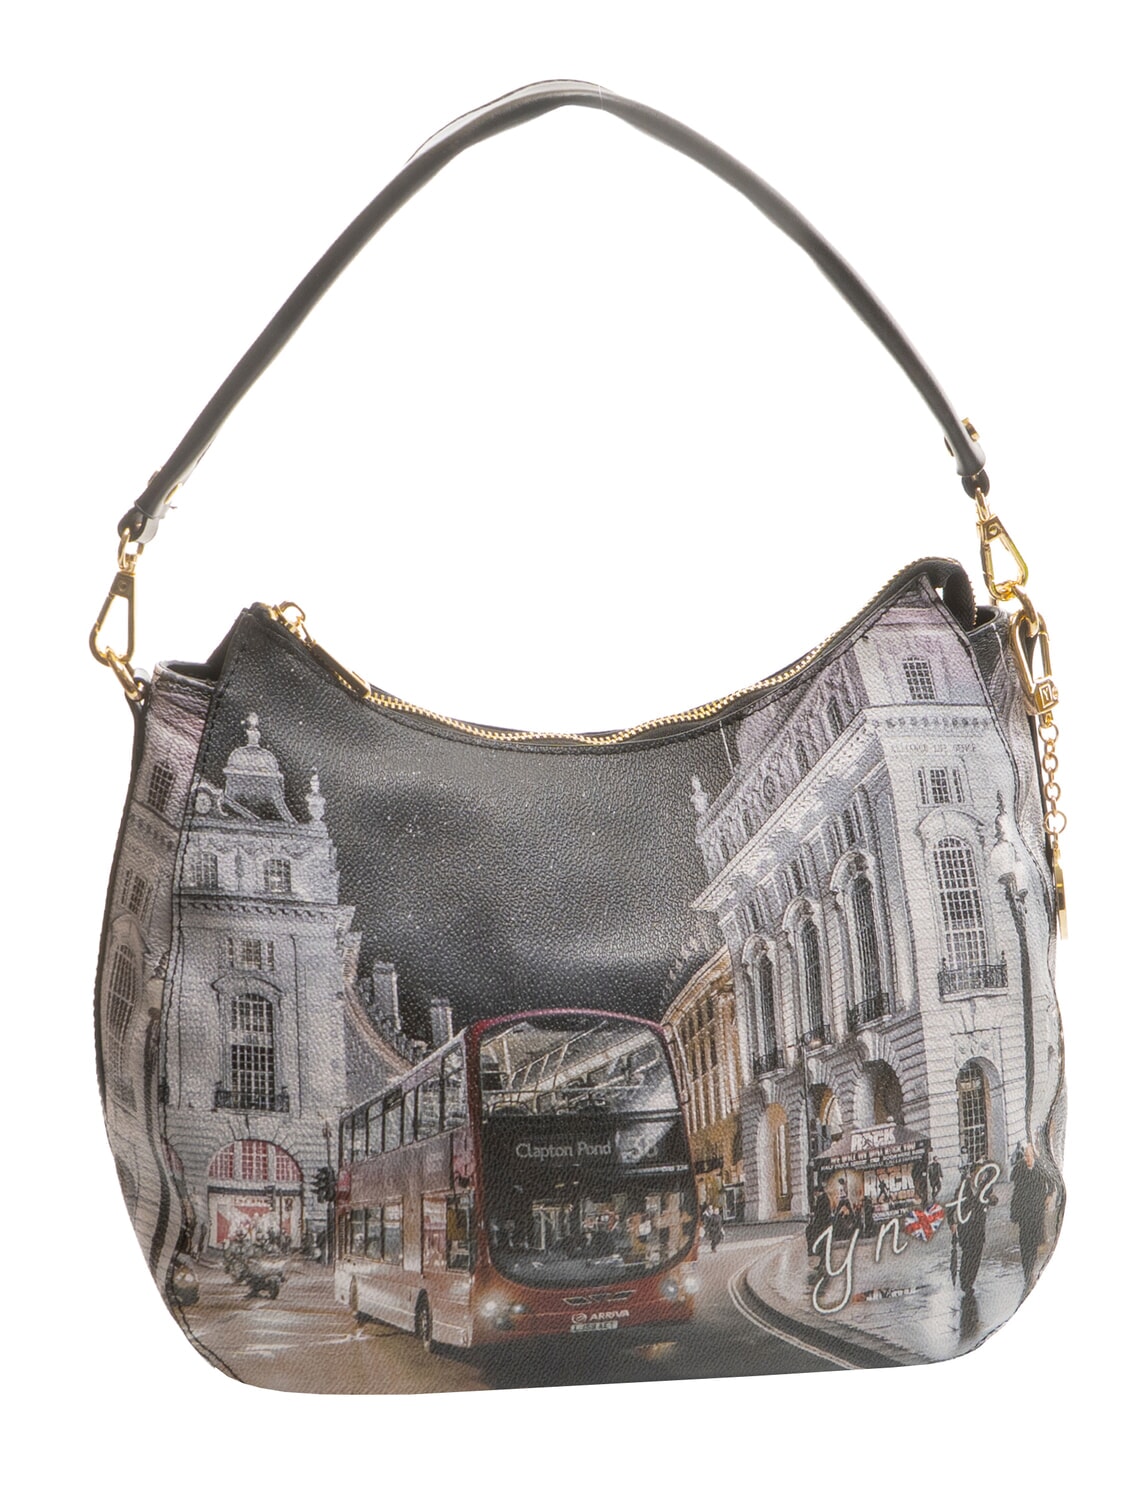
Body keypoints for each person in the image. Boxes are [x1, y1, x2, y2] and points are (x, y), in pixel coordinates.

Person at [1010, 1142, 1051, 1288]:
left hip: (1036, 1211)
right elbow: (1013, 1183)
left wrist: (1049, 1195)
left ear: (1033, 1156)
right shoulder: (1020, 1168)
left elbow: (1052, 1182)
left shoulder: (1040, 1168)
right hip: (1024, 1212)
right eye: (1025, 1156)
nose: (1026, 1159)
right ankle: (1027, 1270)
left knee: (1033, 1242)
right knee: (1024, 1241)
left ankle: (1031, 1267)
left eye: (1028, 1156)